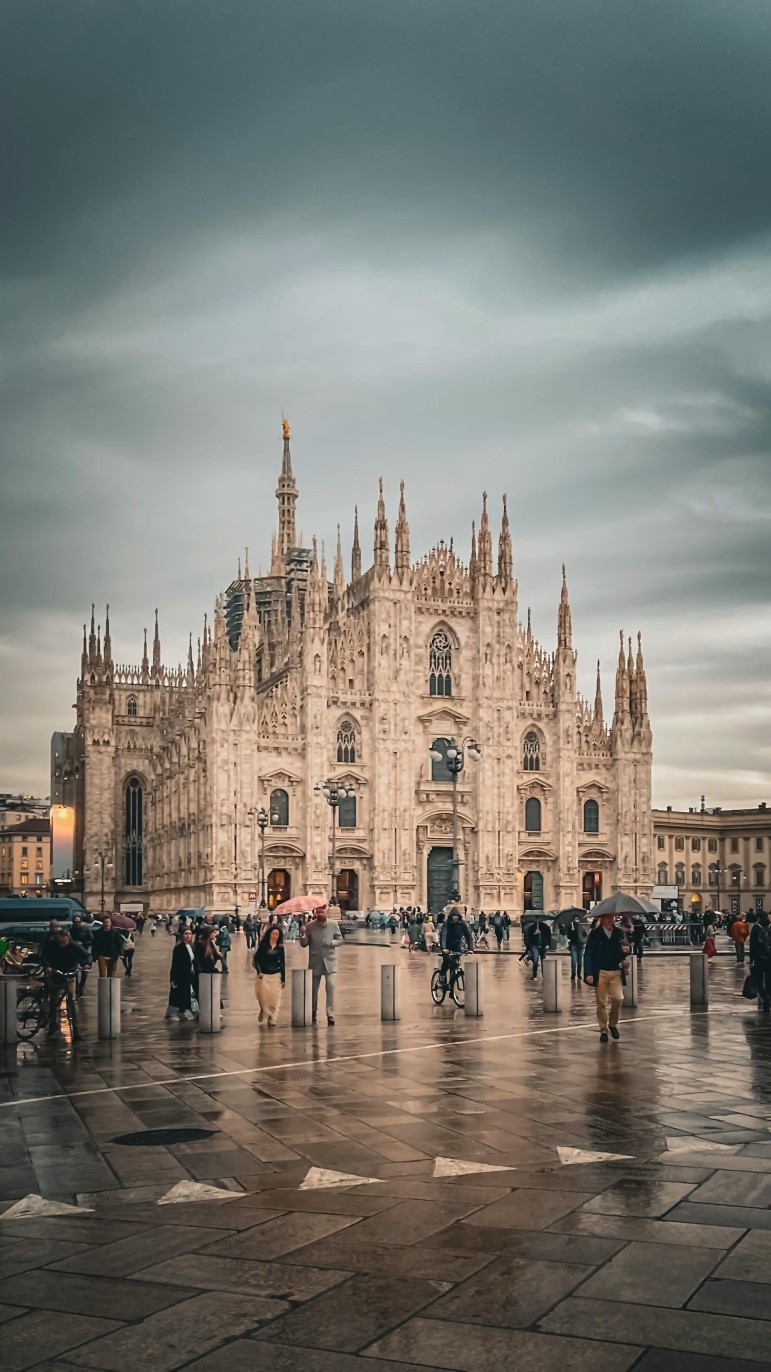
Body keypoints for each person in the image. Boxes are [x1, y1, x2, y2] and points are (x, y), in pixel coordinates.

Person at [583, 912, 630, 1042]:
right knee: (601, 1002)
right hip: (600, 972)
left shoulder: (619, 932)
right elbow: (588, 954)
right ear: (602, 919)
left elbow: (624, 948)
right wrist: (588, 973)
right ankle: (603, 1029)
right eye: (608, 918)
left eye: (613, 917)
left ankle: (613, 1023)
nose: (611, 920)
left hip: (616, 971)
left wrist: (627, 950)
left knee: (618, 997)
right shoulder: (595, 934)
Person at [43, 928, 88, 1040]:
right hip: (55, 974)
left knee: (72, 1001)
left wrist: (87, 964)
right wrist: (47, 966)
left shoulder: (74, 946)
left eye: (64, 942)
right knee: (53, 1000)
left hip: (69, 975)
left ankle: (76, 1030)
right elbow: (44, 956)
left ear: (69, 938)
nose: (62, 945)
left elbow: (86, 955)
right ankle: (52, 1024)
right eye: (60, 942)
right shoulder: (52, 944)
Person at [299, 906, 342, 1025]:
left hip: (330, 961)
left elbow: (340, 940)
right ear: (315, 913)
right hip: (315, 961)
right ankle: (313, 1011)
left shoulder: (333, 924)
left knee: (330, 987)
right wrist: (302, 934)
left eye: (322, 911)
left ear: (326, 912)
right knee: (313, 990)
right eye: (318, 912)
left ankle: (330, 1014)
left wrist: (333, 943)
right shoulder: (310, 926)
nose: (320, 913)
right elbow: (304, 944)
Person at [253, 924, 286, 1025]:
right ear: (269, 934)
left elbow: (282, 963)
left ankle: (272, 1017)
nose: (275, 936)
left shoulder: (280, 948)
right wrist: (259, 971)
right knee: (263, 997)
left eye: (277, 934)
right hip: (264, 975)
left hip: (275, 974)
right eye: (273, 934)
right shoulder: (263, 946)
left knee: (275, 999)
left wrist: (283, 978)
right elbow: (256, 959)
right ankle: (263, 1009)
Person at [166, 927, 199, 1020]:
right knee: (189, 994)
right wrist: (172, 977)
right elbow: (175, 963)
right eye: (186, 934)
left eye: (190, 934)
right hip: (182, 976)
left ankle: (181, 1011)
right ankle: (195, 1013)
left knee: (188, 994)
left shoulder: (192, 946)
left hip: (191, 975)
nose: (188, 936)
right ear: (182, 935)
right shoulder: (179, 948)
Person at [438, 906, 474, 982]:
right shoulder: (447, 923)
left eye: (457, 918)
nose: (455, 919)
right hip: (447, 946)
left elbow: (468, 936)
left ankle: (452, 987)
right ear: (451, 917)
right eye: (454, 918)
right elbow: (443, 935)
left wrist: (470, 948)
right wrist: (444, 948)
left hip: (457, 945)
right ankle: (442, 974)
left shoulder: (462, 923)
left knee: (455, 964)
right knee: (447, 960)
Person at [749, 911, 771, 1013]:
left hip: (759, 957)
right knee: (769, 978)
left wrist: (751, 960)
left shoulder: (756, 928)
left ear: (758, 918)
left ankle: (763, 995)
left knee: (758, 978)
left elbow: (752, 945)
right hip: (769, 956)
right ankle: (768, 996)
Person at [70, 916, 93, 999]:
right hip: (74, 955)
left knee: (85, 973)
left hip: (84, 953)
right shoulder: (71, 931)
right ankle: (77, 990)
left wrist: (83, 943)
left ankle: (81, 985)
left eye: (78, 922)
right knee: (74, 972)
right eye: (75, 922)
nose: (77, 923)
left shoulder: (86, 930)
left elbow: (92, 940)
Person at [568, 915, 587, 982]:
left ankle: (579, 974)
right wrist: (571, 931)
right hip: (573, 945)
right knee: (573, 960)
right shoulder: (571, 927)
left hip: (580, 946)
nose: (576, 920)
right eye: (575, 919)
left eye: (577, 919)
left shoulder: (582, 927)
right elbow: (568, 936)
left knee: (579, 961)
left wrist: (583, 941)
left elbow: (586, 936)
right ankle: (573, 974)